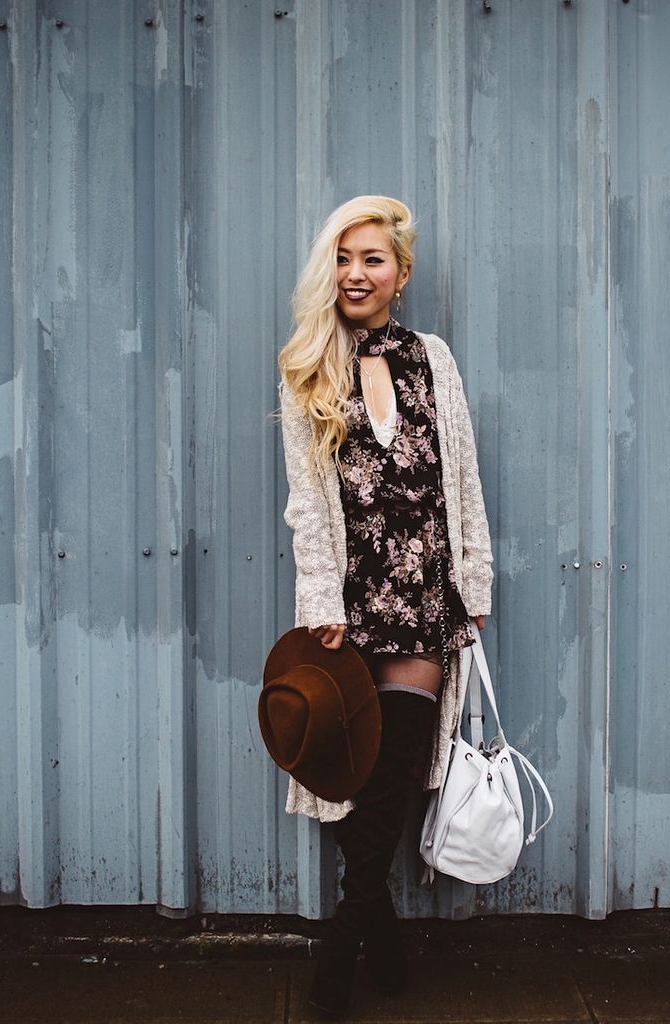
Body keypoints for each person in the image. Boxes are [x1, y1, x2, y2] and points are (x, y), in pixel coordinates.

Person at [276, 195, 494, 1016]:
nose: (355, 274)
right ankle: (385, 936)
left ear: (401, 273)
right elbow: (307, 501)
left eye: (372, 259)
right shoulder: (308, 365)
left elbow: (462, 476)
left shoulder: (432, 358)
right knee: (346, 774)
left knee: (394, 774)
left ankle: (339, 954)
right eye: (342, 259)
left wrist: (474, 582)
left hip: (422, 603)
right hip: (347, 609)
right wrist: (319, 598)